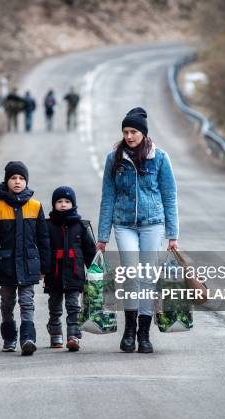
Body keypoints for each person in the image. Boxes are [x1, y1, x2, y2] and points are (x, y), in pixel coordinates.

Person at [96, 107, 179, 354]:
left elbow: (169, 196)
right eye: (125, 131)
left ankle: (144, 334)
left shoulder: (160, 158)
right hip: (123, 225)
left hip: (153, 223)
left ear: (143, 133)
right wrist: (102, 236)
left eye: (133, 131)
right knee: (132, 275)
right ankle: (129, 331)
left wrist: (172, 235)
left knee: (146, 277)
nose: (129, 136)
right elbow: (107, 197)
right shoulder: (114, 159)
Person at [0, 161, 51, 355]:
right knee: (7, 302)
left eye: (21, 178)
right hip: (6, 266)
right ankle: (9, 338)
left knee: (27, 301)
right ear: (6, 181)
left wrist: (45, 267)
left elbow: (43, 240)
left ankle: (28, 338)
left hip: (28, 265)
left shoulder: (35, 207)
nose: (17, 182)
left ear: (26, 181)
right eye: (13, 178)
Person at [44, 186, 96, 351]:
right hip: (54, 274)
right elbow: (43, 250)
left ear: (73, 204)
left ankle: (73, 336)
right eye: (59, 201)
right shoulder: (48, 225)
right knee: (55, 306)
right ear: (54, 204)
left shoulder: (80, 226)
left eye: (67, 201)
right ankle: (55, 334)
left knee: (74, 306)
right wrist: (42, 270)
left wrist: (94, 271)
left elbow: (89, 252)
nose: (63, 204)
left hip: (74, 274)